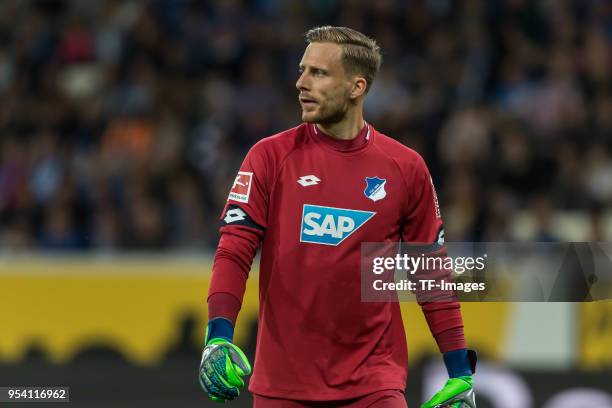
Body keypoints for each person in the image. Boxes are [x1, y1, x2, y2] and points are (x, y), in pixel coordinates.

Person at [198, 26, 476, 408]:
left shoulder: (405, 168)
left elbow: (430, 275)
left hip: (374, 384)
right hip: (284, 387)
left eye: (318, 73)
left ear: (356, 87)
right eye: (302, 70)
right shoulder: (269, 158)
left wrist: (460, 372)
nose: (301, 83)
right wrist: (218, 335)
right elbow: (234, 252)